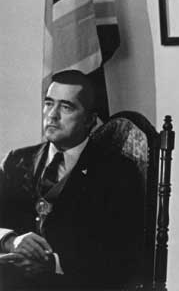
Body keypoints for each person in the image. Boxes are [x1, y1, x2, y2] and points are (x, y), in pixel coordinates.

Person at [0, 70, 144, 290]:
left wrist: (53, 263)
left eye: (66, 107)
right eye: (49, 103)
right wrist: (10, 240)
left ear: (89, 120)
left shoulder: (117, 173)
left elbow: (122, 256)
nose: (52, 115)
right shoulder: (16, 161)